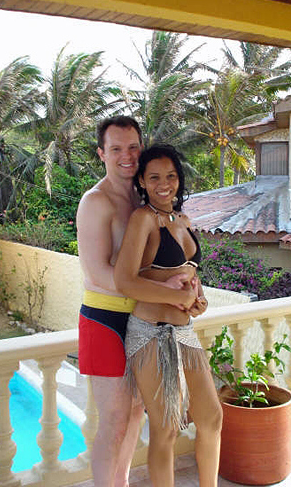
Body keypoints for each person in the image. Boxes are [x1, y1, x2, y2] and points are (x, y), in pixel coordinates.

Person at [77, 117, 191, 487]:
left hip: (142, 320)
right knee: (113, 421)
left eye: (132, 147)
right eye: (116, 149)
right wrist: (166, 293)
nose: (126, 156)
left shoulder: (145, 200)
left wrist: (178, 290)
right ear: (101, 154)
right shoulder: (96, 201)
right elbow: (97, 272)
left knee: (138, 411)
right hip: (105, 321)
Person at [114, 144, 223, 487]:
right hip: (149, 332)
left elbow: (190, 272)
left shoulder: (183, 220)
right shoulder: (142, 219)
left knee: (212, 417)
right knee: (165, 428)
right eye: (155, 177)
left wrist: (197, 298)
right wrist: (178, 296)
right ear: (142, 182)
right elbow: (125, 281)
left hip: (184, 330)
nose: (165, 184)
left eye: (171, 176)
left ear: (180, 179)